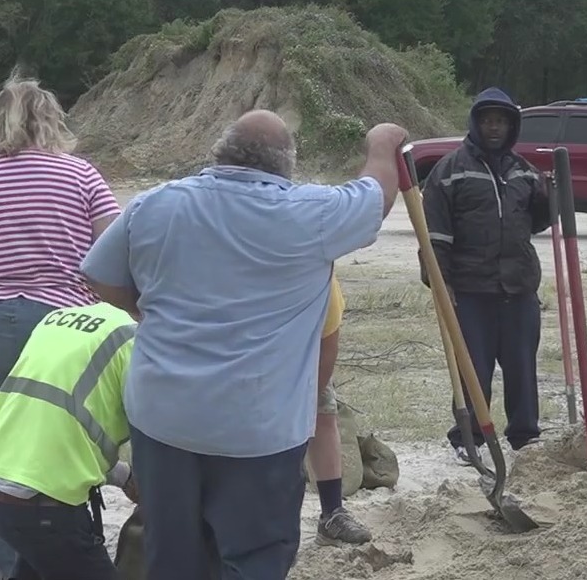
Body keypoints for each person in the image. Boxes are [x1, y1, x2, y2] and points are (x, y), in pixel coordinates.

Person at [80, 109, 406, 579]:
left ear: (219, 152)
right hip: (258, 429)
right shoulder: (311, 213)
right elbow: (377, 194)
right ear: (284, 166)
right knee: (255, 558)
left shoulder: (154, 203)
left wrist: (145, 310)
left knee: (172, 556)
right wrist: (382, 142)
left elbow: (98, 275)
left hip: (163, 419)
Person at [0, 71, 122, 580]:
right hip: (69, 325)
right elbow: (117, 248)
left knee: (1, 452)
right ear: (51, 119)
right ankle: (68, 547)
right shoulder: (81, 175)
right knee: (66, 437)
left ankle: (14, 567)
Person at [0, 301, 140, 580]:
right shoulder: (136, 340)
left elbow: (59, 429)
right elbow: (154, 440)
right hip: (42, 509)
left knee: (43, 560)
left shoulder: (60, 319)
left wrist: (122, 476)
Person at [421, 87, 551, 465]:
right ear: (476, 123)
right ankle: (469, 437)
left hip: (518, 287)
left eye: (502, 121)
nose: (494, 127)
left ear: (512, 126)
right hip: (469, 289)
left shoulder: (523, 171)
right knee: (473, 368)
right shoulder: (450, 170)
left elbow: (537, 222)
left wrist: (548, 200)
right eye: (488, 120)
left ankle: (525, 436)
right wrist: (439, 281)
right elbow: (435, 237)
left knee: (521, 365)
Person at [311, 271, 372, 546]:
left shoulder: (320, 279)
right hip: (254, 351)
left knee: (323, 413)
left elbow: (329, 342)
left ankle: (332, 513)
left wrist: (311, 396)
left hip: (306, 351)